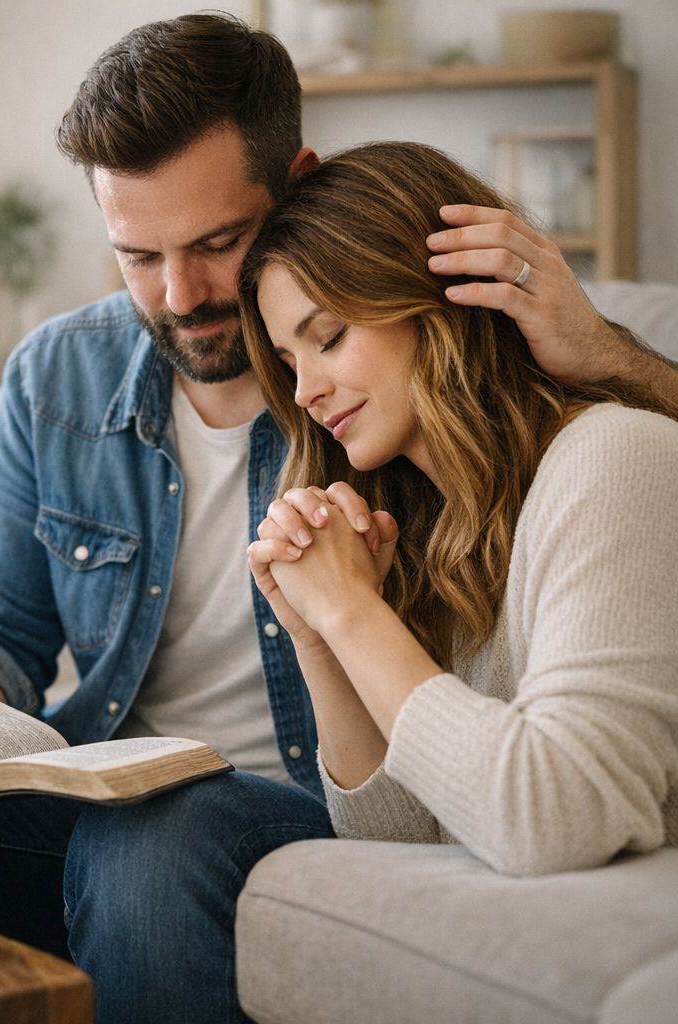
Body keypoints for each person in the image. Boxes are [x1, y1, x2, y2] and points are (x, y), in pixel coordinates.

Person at [0, 15, 678, 1023]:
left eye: (215, 244)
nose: (180, 295)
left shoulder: (408, 396)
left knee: (155, 838)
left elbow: (577, 454)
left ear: (295, 182)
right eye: (136, 256)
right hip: (110, 783)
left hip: (268, 807)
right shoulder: (59, 375)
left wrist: (614, 356)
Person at [241, 141, 678, 875]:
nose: (305, 392)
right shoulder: (428, 530)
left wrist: (352, 612)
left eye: (329, 338)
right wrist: (319, 637)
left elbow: (554, 821)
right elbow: (397, 845)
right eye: (290, 363)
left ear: (438, 299)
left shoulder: (618, 459)